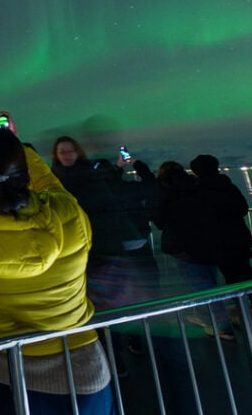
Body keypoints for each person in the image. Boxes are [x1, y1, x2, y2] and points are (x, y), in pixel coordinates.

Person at [0, 119, 115, 415]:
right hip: (81, 371)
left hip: (1, 371)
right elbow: (51, 185)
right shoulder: (66, 212)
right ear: (22, 168)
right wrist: (20, 149)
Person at [50, 137, 159, 362]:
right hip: (85, 252)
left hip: (102, 249)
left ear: (78, 152)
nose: (67, 155)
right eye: (63, 151)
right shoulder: (58, 180)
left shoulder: (84, 177)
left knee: (109, 302)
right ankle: (115, 351)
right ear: (56, 154)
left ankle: (115, 353)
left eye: (70, 150)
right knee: (100, 303)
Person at [153, 161, 236, 340]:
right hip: (209, 242)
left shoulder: (167, 193)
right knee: (209, 281)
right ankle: (206, 318)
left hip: (184, 247)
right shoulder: (198, 186)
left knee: (203, 286)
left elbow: (159, 221)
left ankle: (222, 327)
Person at [188, 154, 252, 327]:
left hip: (217, 241)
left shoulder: (196, 190)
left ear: (196, 172)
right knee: (248, 274)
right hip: (238, 237)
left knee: (230, 278)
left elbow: (197, 217)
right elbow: (242, 208)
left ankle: (241, 313)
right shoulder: (227, 185)